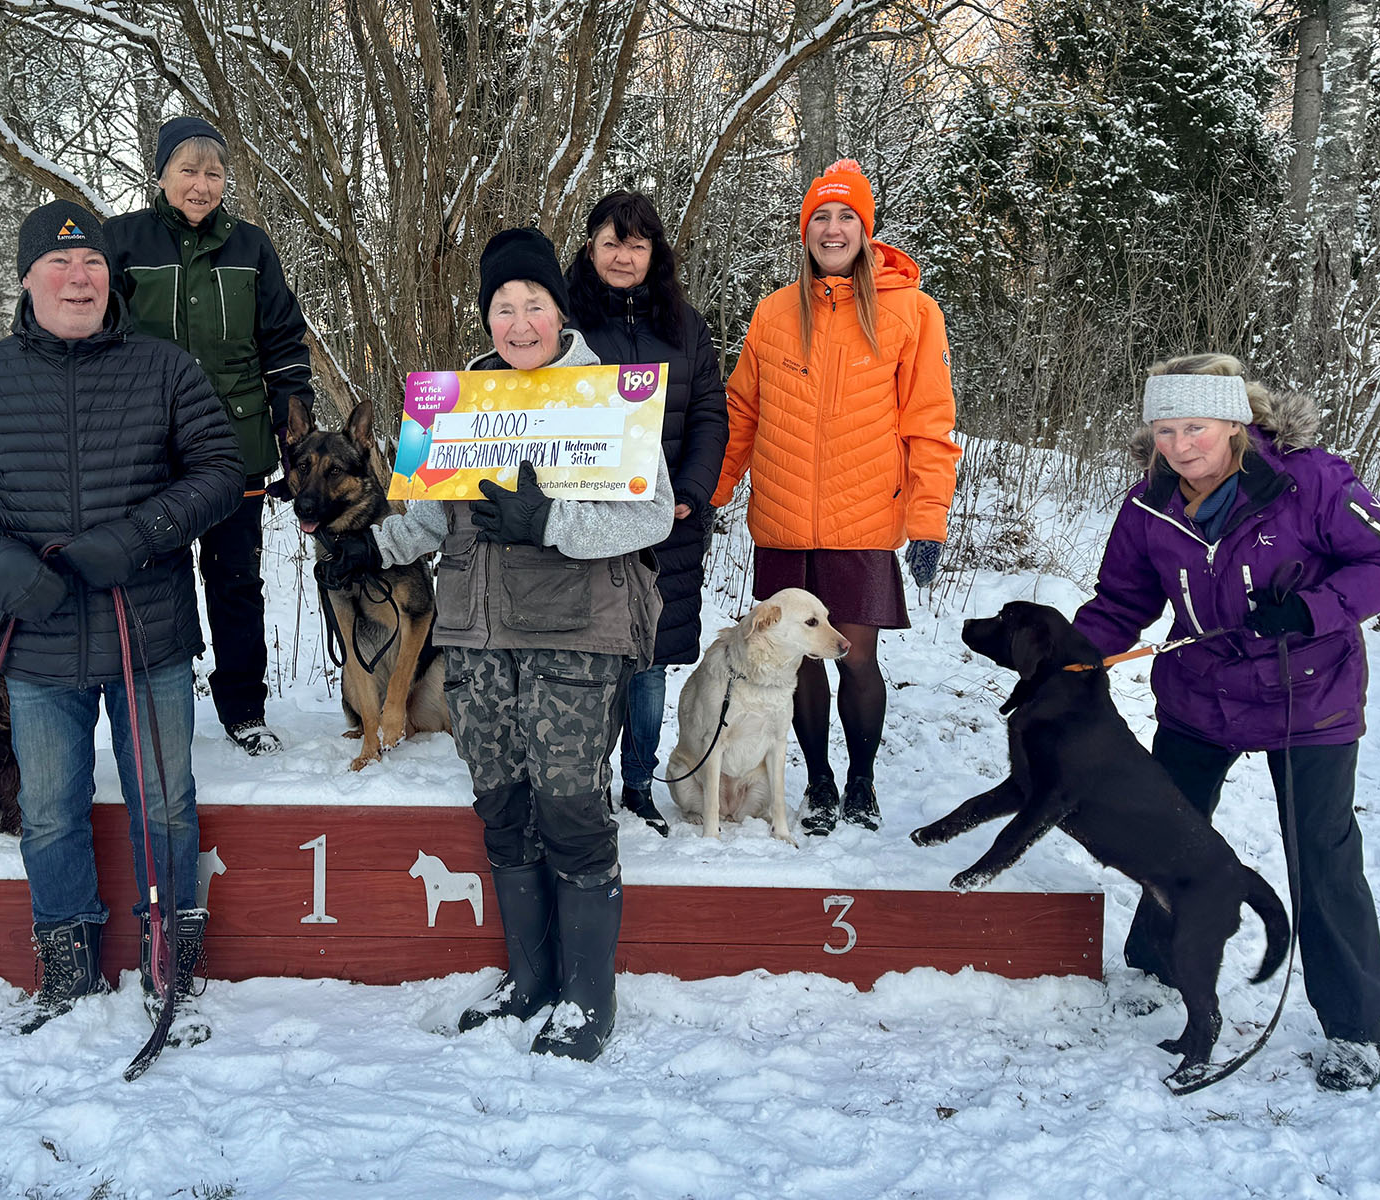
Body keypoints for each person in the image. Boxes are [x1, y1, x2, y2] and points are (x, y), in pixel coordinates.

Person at [322, 227, 673, 1061]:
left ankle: (588, 1000)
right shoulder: (453, 401)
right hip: (476, 636)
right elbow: (424, 519)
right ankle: (531, 981)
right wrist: (371, 546)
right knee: (504, 807)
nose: (519, 323)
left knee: (570, 808)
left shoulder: (606, 394)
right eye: (503, 307)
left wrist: (551, 520)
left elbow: (653, 515)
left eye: (534, 304)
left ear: (560, 310)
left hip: (574, 635)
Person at [0, 200, 245, 1037]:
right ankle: (69, 966)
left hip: (148, 630)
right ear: (27, 280)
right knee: (52, 809)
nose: (78, 278)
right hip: (38, 636)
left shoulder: (165, 368)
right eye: (58, 265)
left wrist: (139, 536)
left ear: (111, 277)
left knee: (165, 805)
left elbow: (220, 471)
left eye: (92, 262)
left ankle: (170, 955)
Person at [1072, 354, 1380, 1092]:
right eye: (1165, 430)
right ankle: (1155, 967)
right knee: (1167, 833)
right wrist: (1069, 658)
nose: (1180, 446)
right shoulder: (1148, 504)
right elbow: (1121, 600)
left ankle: (1356, 1027)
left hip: (1310, 697)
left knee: (1321, 857)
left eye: (1195, 427)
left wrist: (1312, 609)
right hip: (1200, 696)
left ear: (1235, 423)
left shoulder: (1312, 481)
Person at [712, 159, 961, 836]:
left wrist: (928, 520)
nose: (832, 228)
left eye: (847, 216)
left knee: (855, 658)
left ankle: (861, 781)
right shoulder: (773, 312)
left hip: (863, 522)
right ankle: (819, 782)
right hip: (783, 521)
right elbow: (742, 412)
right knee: (799, 663)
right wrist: (713, 493)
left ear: (865, 229)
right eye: (820, 216)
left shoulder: (912, 312)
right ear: (805, 230)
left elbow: (930, 423)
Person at [106, 116, 318, 757]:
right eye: (188, 170)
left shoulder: (251, 247)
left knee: (235, 581)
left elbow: (283, 344)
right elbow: (97, 338)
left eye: (214, 173)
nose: (202, 184)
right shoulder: (121, 241)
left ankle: (243, 708)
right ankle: (155, 707)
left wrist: (293, 434)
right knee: (151, 579)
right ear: (161, 175)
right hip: (148, 451)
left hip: (236, 449)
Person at [566, 190, 728, 836]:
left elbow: (711, 414)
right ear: (590, 248)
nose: (623, 257)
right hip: (589, 524)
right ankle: (587, 781)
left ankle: (638, 783)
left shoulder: (686, 326)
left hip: (667, 524)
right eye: (612, 242)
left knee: (651, 661)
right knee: (590, 658)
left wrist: (691, 489)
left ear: (654, 252)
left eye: (636, 245)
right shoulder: (564, 322)